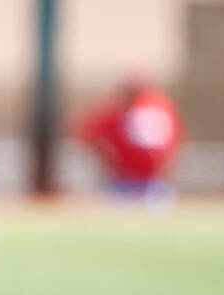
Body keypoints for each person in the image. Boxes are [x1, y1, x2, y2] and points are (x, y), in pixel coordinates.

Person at [72, 75, 182, 203]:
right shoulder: (163, 106)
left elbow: (86, 135)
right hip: (154, 186)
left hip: (132, 184)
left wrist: (105, 161)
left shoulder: (117, 112)